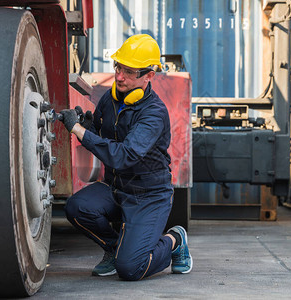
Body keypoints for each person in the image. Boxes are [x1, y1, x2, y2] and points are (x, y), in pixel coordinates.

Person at [59, 34, 193, 281]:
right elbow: (102, 134)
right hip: (116, 188)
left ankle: (175, 240)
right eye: (118, 67)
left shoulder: (153, 113)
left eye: (129, 72)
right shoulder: (110, 99)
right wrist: (88, 126)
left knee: (131, 268)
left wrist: (77, 132)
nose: (119, 76)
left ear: (149, 76)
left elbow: (124, 156)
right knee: (77, 208)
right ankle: (114, 249)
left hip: (148, 196)